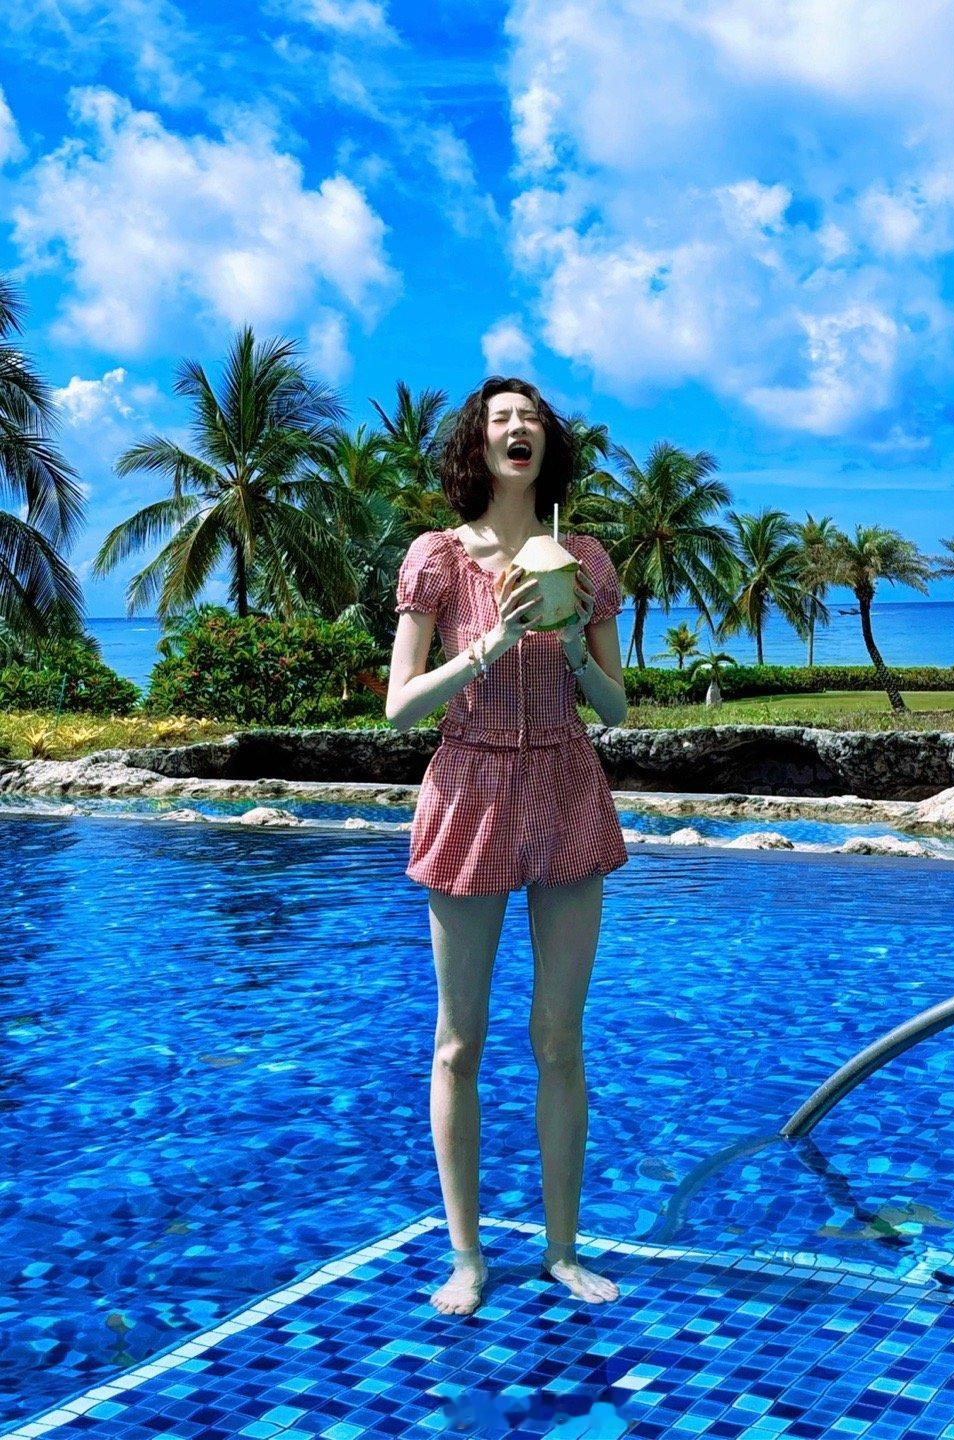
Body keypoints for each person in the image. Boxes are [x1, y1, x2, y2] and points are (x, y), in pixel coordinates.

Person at [386, 376, 629, 1318]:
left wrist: (567, 645)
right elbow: (400, 706)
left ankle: (563, 1250)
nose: (518, 429)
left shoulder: (584, 557)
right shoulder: (439, 559)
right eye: (502, 419)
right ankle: (467, 1258)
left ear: (545, 447)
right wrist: (494, 642)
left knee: (559, 1037)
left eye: (531, 419)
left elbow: (615, 709)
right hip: (472, 785)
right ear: (477, 445)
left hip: (566, 781)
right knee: (459, 1043)